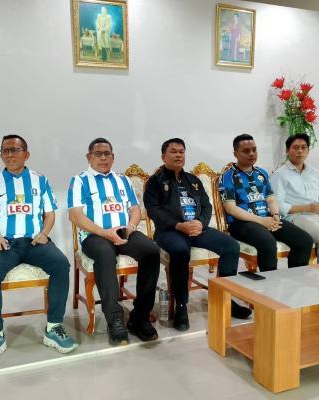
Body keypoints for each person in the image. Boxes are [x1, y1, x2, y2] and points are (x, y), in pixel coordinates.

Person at [0, 134, 77, 364]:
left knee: (61, 265)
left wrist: (44, 233)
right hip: (5, 243)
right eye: (5, 151)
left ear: (26, 154)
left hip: (34, 242)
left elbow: (50, 213)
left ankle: (53, 327)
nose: (9, 155)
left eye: (14, 150)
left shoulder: (39, 180)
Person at [143, 138, 250, 331]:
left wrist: (200, 223)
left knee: (231, 246)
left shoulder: (193, 181)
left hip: (197, 228)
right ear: (163, 156)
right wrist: (179, 225)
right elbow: (154, 211)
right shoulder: (154, 182)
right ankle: (181, 306)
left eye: (181, 151)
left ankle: (225, 297)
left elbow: (207, 207)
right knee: (180, 250)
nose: (178, 155)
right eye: (173, 151)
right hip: (170, 231)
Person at [68, 138, 160, 345]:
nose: (103, 158)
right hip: (94, 236)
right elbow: (75, 215)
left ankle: (140, 317)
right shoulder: (80, 181)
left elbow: (135, 209)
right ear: (89, 157)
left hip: (124, 231)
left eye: (107, 154)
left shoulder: (122, 180)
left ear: (113, 157)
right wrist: (104, 232)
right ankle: (115, 319)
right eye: (98, 154)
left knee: (151, 251)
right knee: (105, 254)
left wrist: (131, 226)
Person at [219, 134, 313, 272]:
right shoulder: (228, 176)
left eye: (254, 150)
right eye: (246, 151)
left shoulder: (261, 173)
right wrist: (262, 221)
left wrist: (275, 215)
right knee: (268, 243)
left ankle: (295, 278)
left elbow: (271, 199)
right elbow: (231, 209)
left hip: (267, 218)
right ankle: (269, 283)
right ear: (235, 153)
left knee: (304, 241)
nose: (252, 154)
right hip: (241, 223)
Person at [271, 133, 319, 252]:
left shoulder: (314, 173)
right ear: (287, 151)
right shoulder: (279, 174)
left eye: (303, 147)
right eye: (296, 148)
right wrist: (307, 208)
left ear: (308, 150)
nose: (300, 151)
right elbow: (277, 205)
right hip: (295, 218)